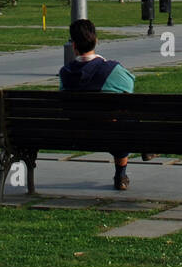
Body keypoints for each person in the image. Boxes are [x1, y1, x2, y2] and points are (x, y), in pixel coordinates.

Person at [59, 19, 138, 190]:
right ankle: (121, 174)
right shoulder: (111, 69)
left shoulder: (65, 74)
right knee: (123, 120)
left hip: (75, 134)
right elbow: (129, 88)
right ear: (96, 41)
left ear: (74, 46)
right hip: (109, 131)